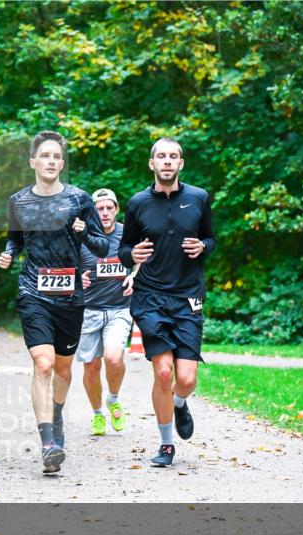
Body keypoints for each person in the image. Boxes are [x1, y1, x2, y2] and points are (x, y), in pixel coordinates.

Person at [0, 130, 108, 474]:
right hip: (33, 292)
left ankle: (56, 414)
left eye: (57, 157)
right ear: (33, 161)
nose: (51, 161)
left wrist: (83, 232)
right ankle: (48, 443)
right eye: (45, 155)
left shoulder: (80, 199)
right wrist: (8, 253)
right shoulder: (18, 202)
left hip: (70, 297)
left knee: (62, 369)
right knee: (43, 364)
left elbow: (103, 247)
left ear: (62, 164)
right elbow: (15, 239)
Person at [118, 137, 216, 468]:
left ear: (181, 163)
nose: (167, 161)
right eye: (161, 156)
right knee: (162, 371)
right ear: (152, 163)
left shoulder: (199, 197)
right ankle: (166, 444)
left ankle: (179, 402)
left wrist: (203, 246)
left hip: (188, 296)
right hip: (150, 296)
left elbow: (211, 238)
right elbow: (123, 249)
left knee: (186, 379)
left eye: (173, 156)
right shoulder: (138, 203)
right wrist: (132, 254)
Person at [77, 188, 134, 436]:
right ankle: (98, 413)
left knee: (113, 358)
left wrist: (135, 275)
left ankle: (113, 399)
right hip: (89, 310)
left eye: (109, 207)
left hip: (120, 308)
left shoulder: (127, 234)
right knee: (91, 367)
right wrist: (78, 278)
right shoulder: (83, 236)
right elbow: (68, 266)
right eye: (100, 208)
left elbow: (143, 260)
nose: (105, 212)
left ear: (117, 209)